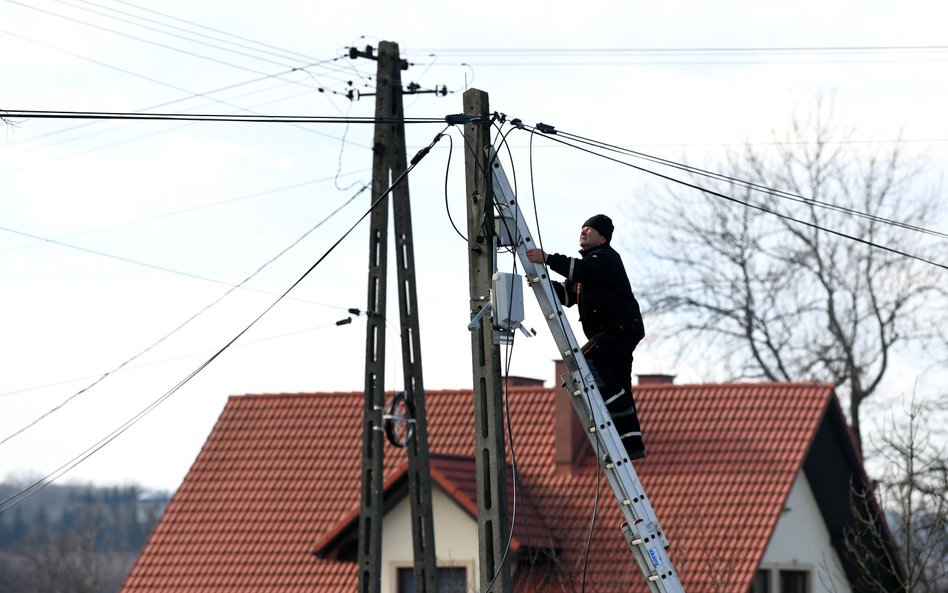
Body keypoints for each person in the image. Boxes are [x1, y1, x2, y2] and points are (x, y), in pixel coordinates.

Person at [526, 214, 647, 460]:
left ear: (603, 237)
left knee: (585, 362)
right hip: (614, 332)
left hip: (618, 329)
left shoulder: (605, 259)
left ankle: (615, 410)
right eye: (582, 228)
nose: (584, 232)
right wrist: (542, 283)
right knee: (620, 383)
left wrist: (547, 259)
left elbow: (581, 270)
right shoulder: (584, 273)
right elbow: (567, 297)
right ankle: (631, 445)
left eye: (590, 230)